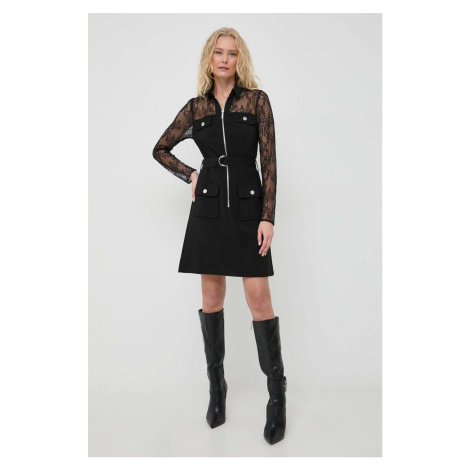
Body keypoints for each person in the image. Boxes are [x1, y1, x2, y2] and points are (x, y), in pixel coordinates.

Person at [152, 27, 287, 445]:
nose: (224, 59)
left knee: (259, 300)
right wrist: (191, 174)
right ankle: (217, 389)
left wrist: (267, 217)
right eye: (218, 52)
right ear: (209, 60)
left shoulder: (256, 101)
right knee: (211, 300)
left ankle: (277, 396)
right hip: (208, 212)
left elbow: (270, 162)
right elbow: (161, 149)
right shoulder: (196, 108)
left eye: (231, 53)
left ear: (238, 59)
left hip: (248, 211)